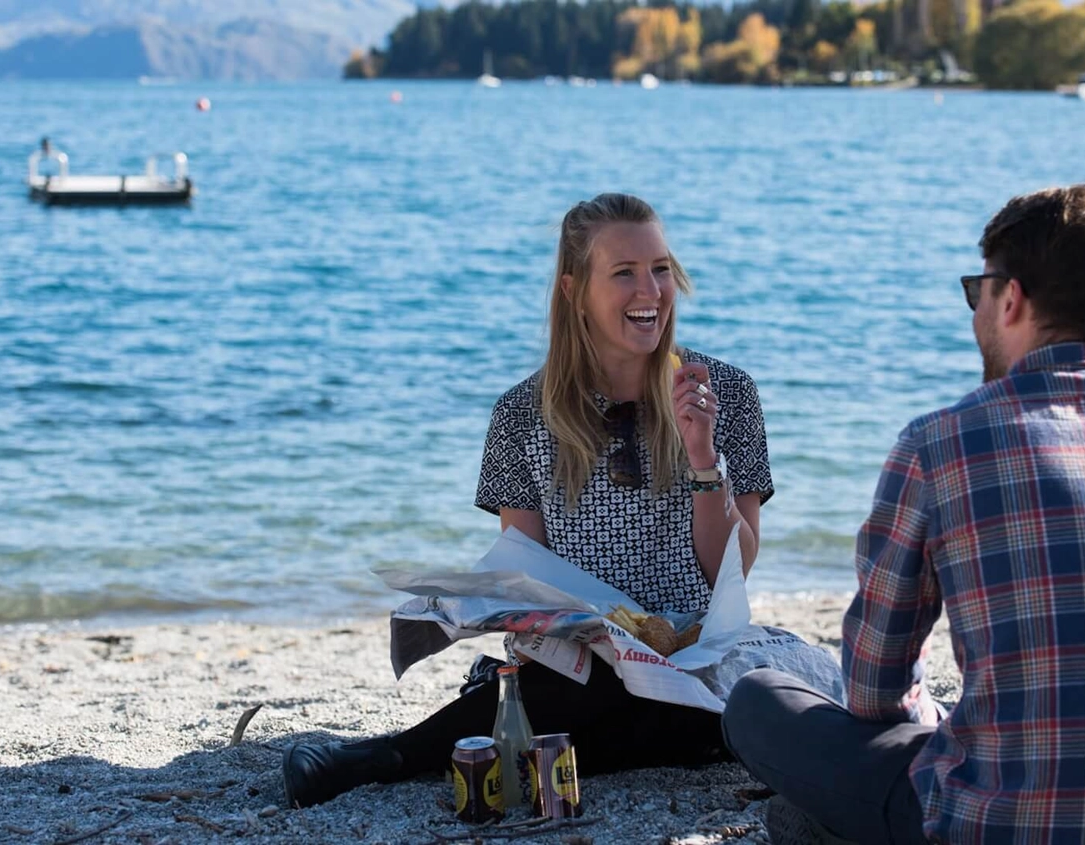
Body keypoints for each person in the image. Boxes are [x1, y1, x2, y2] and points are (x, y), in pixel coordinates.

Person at [723, 185, 1085, 844]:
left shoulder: (940, 442)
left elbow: (871, 690)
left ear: (1010, 298)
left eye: (978, 290)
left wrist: (932, 720)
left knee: (758, 700)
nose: (976, 308)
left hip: (1005, 824)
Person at [282, 193, 774, 808]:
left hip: (700, 657)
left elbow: (733, 570)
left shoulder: (723, 391)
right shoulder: (521, 415)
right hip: (582, 666)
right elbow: (525, 581)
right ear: (573, 291)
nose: (650, 290)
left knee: (699, 704)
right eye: (623, 272)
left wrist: (703, 461)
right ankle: (442, 742)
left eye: (660, 268)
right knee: (589, 686)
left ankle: (397, 755)